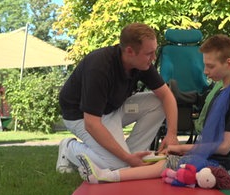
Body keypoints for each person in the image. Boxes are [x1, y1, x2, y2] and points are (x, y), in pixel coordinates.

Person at [75, 34, 230, 184]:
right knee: (164, 159)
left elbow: (225, 147)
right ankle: (111, 173)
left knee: (167, 163)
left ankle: (107, 176)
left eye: (210, 66)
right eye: (204, 65)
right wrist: (178, 147)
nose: (205, 71)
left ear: (228, 63)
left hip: (228, 166)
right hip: (213, 158)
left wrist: (181, 148)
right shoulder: (219, 90)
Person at [56, 23, 179, 173]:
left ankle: (134, 156)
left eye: (154, 52)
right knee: (117, 166)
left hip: (114, 107)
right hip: (80, 116)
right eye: (149, 53)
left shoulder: (141, 63)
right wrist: (126, 158)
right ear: (129, 51)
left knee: (158, 102)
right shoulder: (99, 68)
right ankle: (69, 148)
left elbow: (167, 96)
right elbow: (92, 124)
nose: (153, 58)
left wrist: (172, 134)